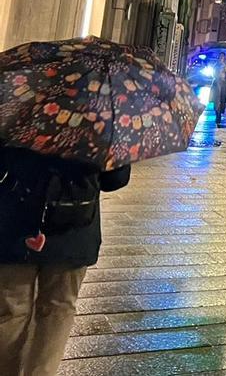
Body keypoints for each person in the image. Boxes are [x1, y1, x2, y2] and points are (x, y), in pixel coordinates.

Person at [0, 146, 130, 374]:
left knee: (11, 311)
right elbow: (115, 179)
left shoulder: (12, 112)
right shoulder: (102, 117)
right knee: (58, 309)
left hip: (14, 222)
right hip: (74, 227)